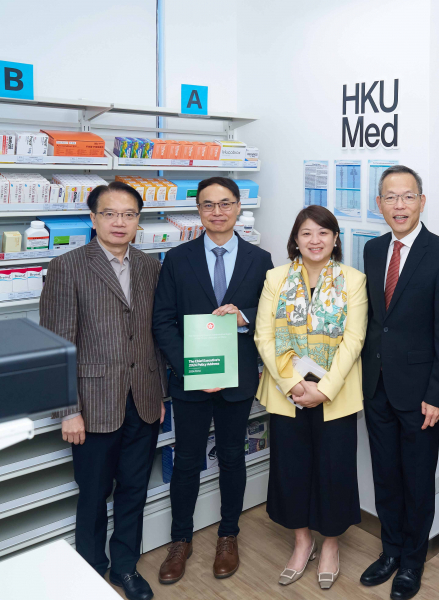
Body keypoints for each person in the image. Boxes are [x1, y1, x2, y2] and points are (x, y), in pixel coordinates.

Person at [41, 182, 165, 600]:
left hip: (142, 399)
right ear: (93, 219)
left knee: (134, 489)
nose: (119, 222)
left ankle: (125, 567)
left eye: (128, 214)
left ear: (138, 221)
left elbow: (154, 335)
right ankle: (91, 571)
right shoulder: (67, 266)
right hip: (92, 405)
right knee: (94, 494)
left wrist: (158, 394)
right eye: (109, 213)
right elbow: (58, 344)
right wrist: (68, 410)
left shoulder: (149, 266)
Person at [152, 177, 274, 584]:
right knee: (187, 460)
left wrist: (245, 317)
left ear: (238, 207)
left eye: (225, 204)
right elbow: (163, 320)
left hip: (237, 378)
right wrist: (190, 368)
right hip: (191, 379)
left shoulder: (260, 259)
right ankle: (180, 540)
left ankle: (228, 535)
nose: (217, 212)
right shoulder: (177, 258)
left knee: (232, 457)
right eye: (208, 205)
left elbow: (271, 314)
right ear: (199, 211)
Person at [358, 165, 439, 600]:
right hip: (376, 386)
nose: (398, 205)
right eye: (390, 197)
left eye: (407, 196)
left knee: (418, 481)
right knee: (385, 475)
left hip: (421, 394)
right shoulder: (372, 250)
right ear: (379, 204)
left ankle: (412, 562)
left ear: (422, 201)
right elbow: (374, 320)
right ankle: (390, 551)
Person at [254, 205, 367, 590]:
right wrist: (292, 384)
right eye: (306, 233)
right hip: (287, 393)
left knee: (334, 471)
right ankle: (302, 542)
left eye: (323, 233)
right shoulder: (276, 277)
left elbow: (354, 340)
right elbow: (264, 335)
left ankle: (330, 545)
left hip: (336, 395)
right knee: (291, 469)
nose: (315, 240)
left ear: (335, 239)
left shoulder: (353, 280)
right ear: (296, 239)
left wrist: (325, 389)